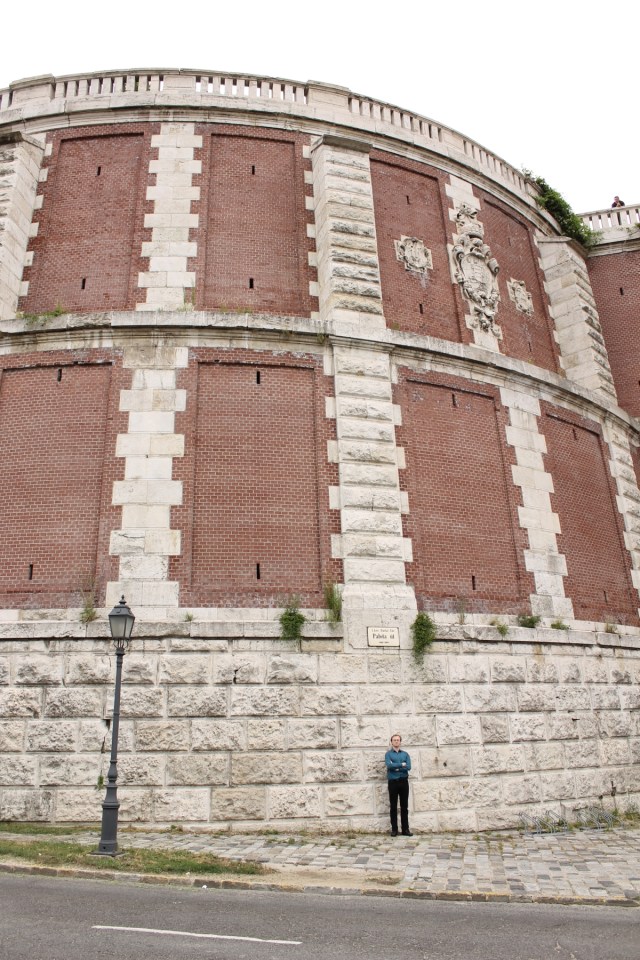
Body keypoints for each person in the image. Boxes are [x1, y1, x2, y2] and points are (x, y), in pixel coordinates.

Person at [385, 733, 413, 836]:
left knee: (404, 806)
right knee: (393, 806)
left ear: (400, 742)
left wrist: (395, 766)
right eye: (394, 740)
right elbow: (389, 766)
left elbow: (408, 767)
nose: (396, 741)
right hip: (393, 782)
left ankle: (405, 829)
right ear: (391, 742)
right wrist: (402, 765)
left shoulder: (405, 754)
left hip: (404, 782)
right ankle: (394, 830)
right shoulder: (388, 754)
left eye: (398, 740)